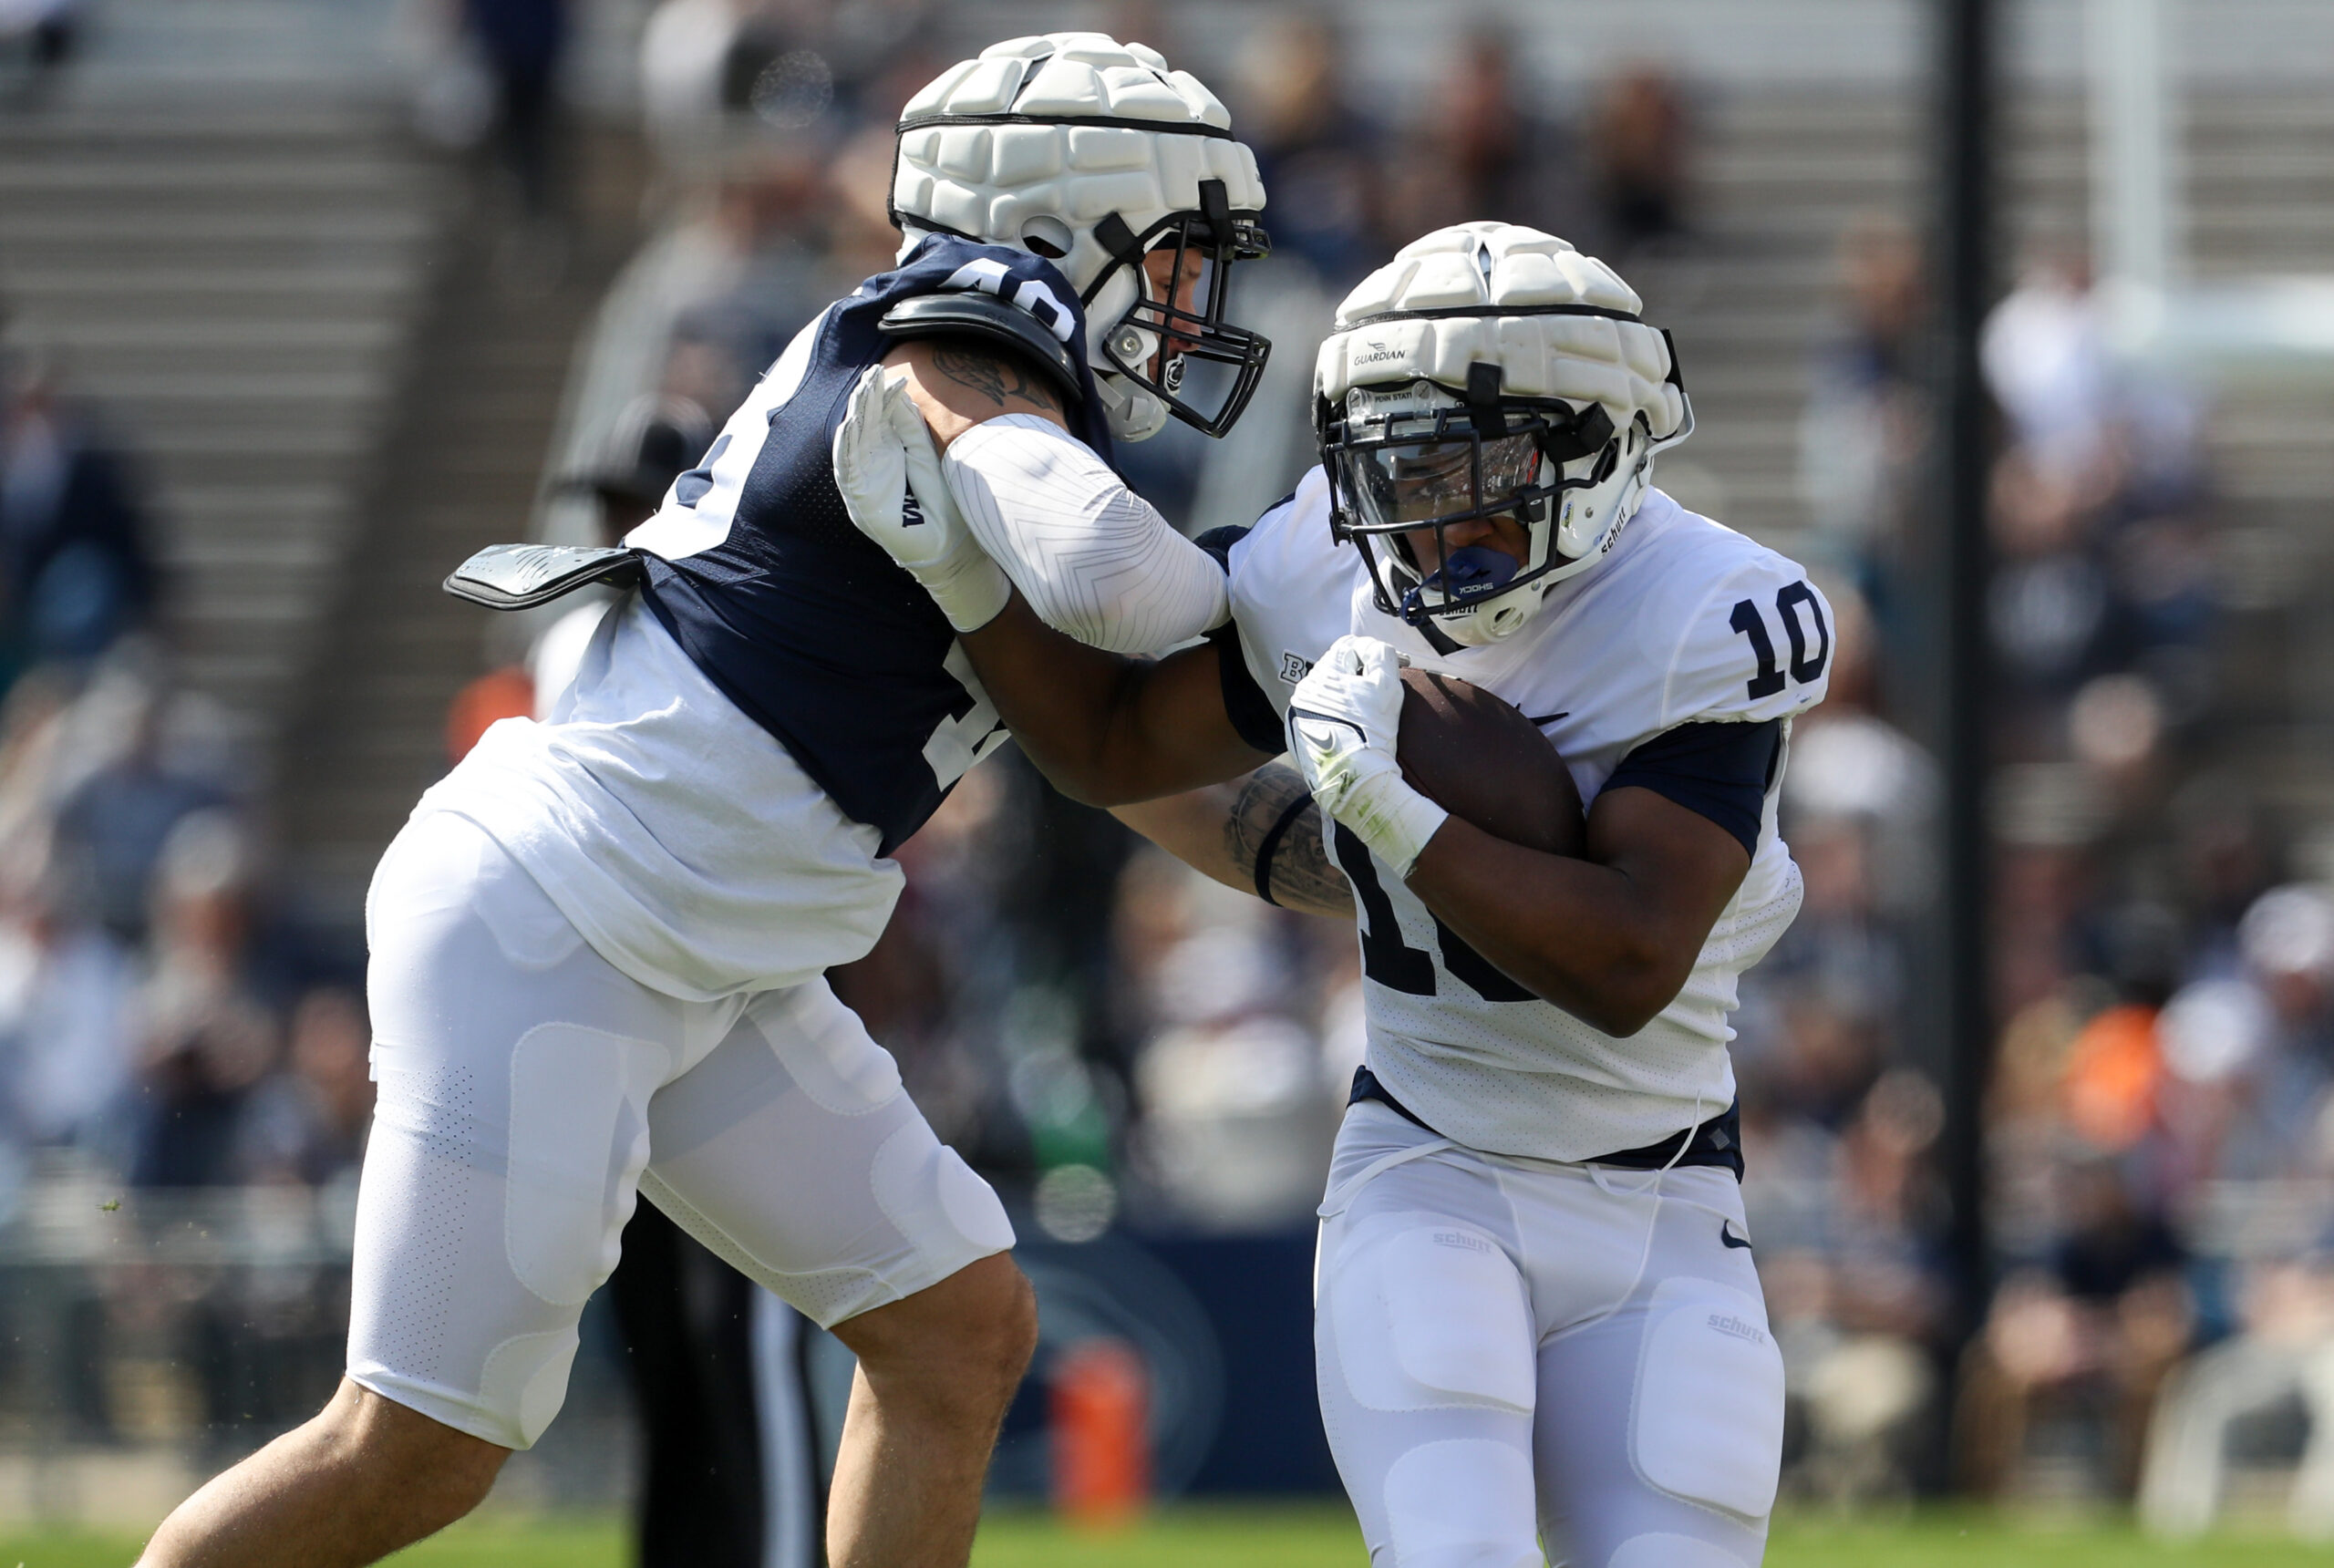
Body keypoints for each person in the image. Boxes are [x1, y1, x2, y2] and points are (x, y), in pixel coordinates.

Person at [133, 31, 1273, 1568]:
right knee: (413, 1449)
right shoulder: (940, 354)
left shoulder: (985, 409)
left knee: (956, 1333)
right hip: (565, 919)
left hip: (713, 960)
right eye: (1182, 258)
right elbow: (1118, 582)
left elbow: (1120, 752)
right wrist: (1318, 592)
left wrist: (1361, 849)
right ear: (1068, 233)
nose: (1198, 306)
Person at [840, 221, 1831, 1566]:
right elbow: (1115, 747)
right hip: (1433, 1174)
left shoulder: (1703, 609)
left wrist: (1389, 814)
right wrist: (962, 576)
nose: (1416, 514)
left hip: (1665, 1207)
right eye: (1391, 463)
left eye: (1462, 466)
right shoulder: (1332, 564)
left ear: (1591, 445)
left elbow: (1626, 963)